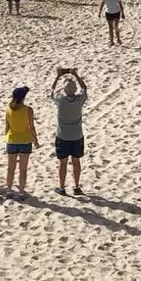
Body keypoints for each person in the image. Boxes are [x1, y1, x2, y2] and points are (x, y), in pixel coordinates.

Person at [51, 68, 87, 196]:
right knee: (76, 162)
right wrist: (75, 74)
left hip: (63, 136)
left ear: (65, 90)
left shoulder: (61, 100)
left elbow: (52, 90)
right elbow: (84, 88)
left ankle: (62, 187)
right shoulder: (79, 100)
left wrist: (57, 76)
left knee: (63, 163)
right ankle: (76, 186)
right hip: (77, 136)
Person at [4, 86, 38, 200]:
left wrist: (6, 138)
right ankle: (22, 192)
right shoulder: (28, 110)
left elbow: (6, 126)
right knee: (23, 169)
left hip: (12, 140)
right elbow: (31, 127)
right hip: (25, 140)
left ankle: (9, 191)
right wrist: (36, 140)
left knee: (10, 168)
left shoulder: (8, 109)